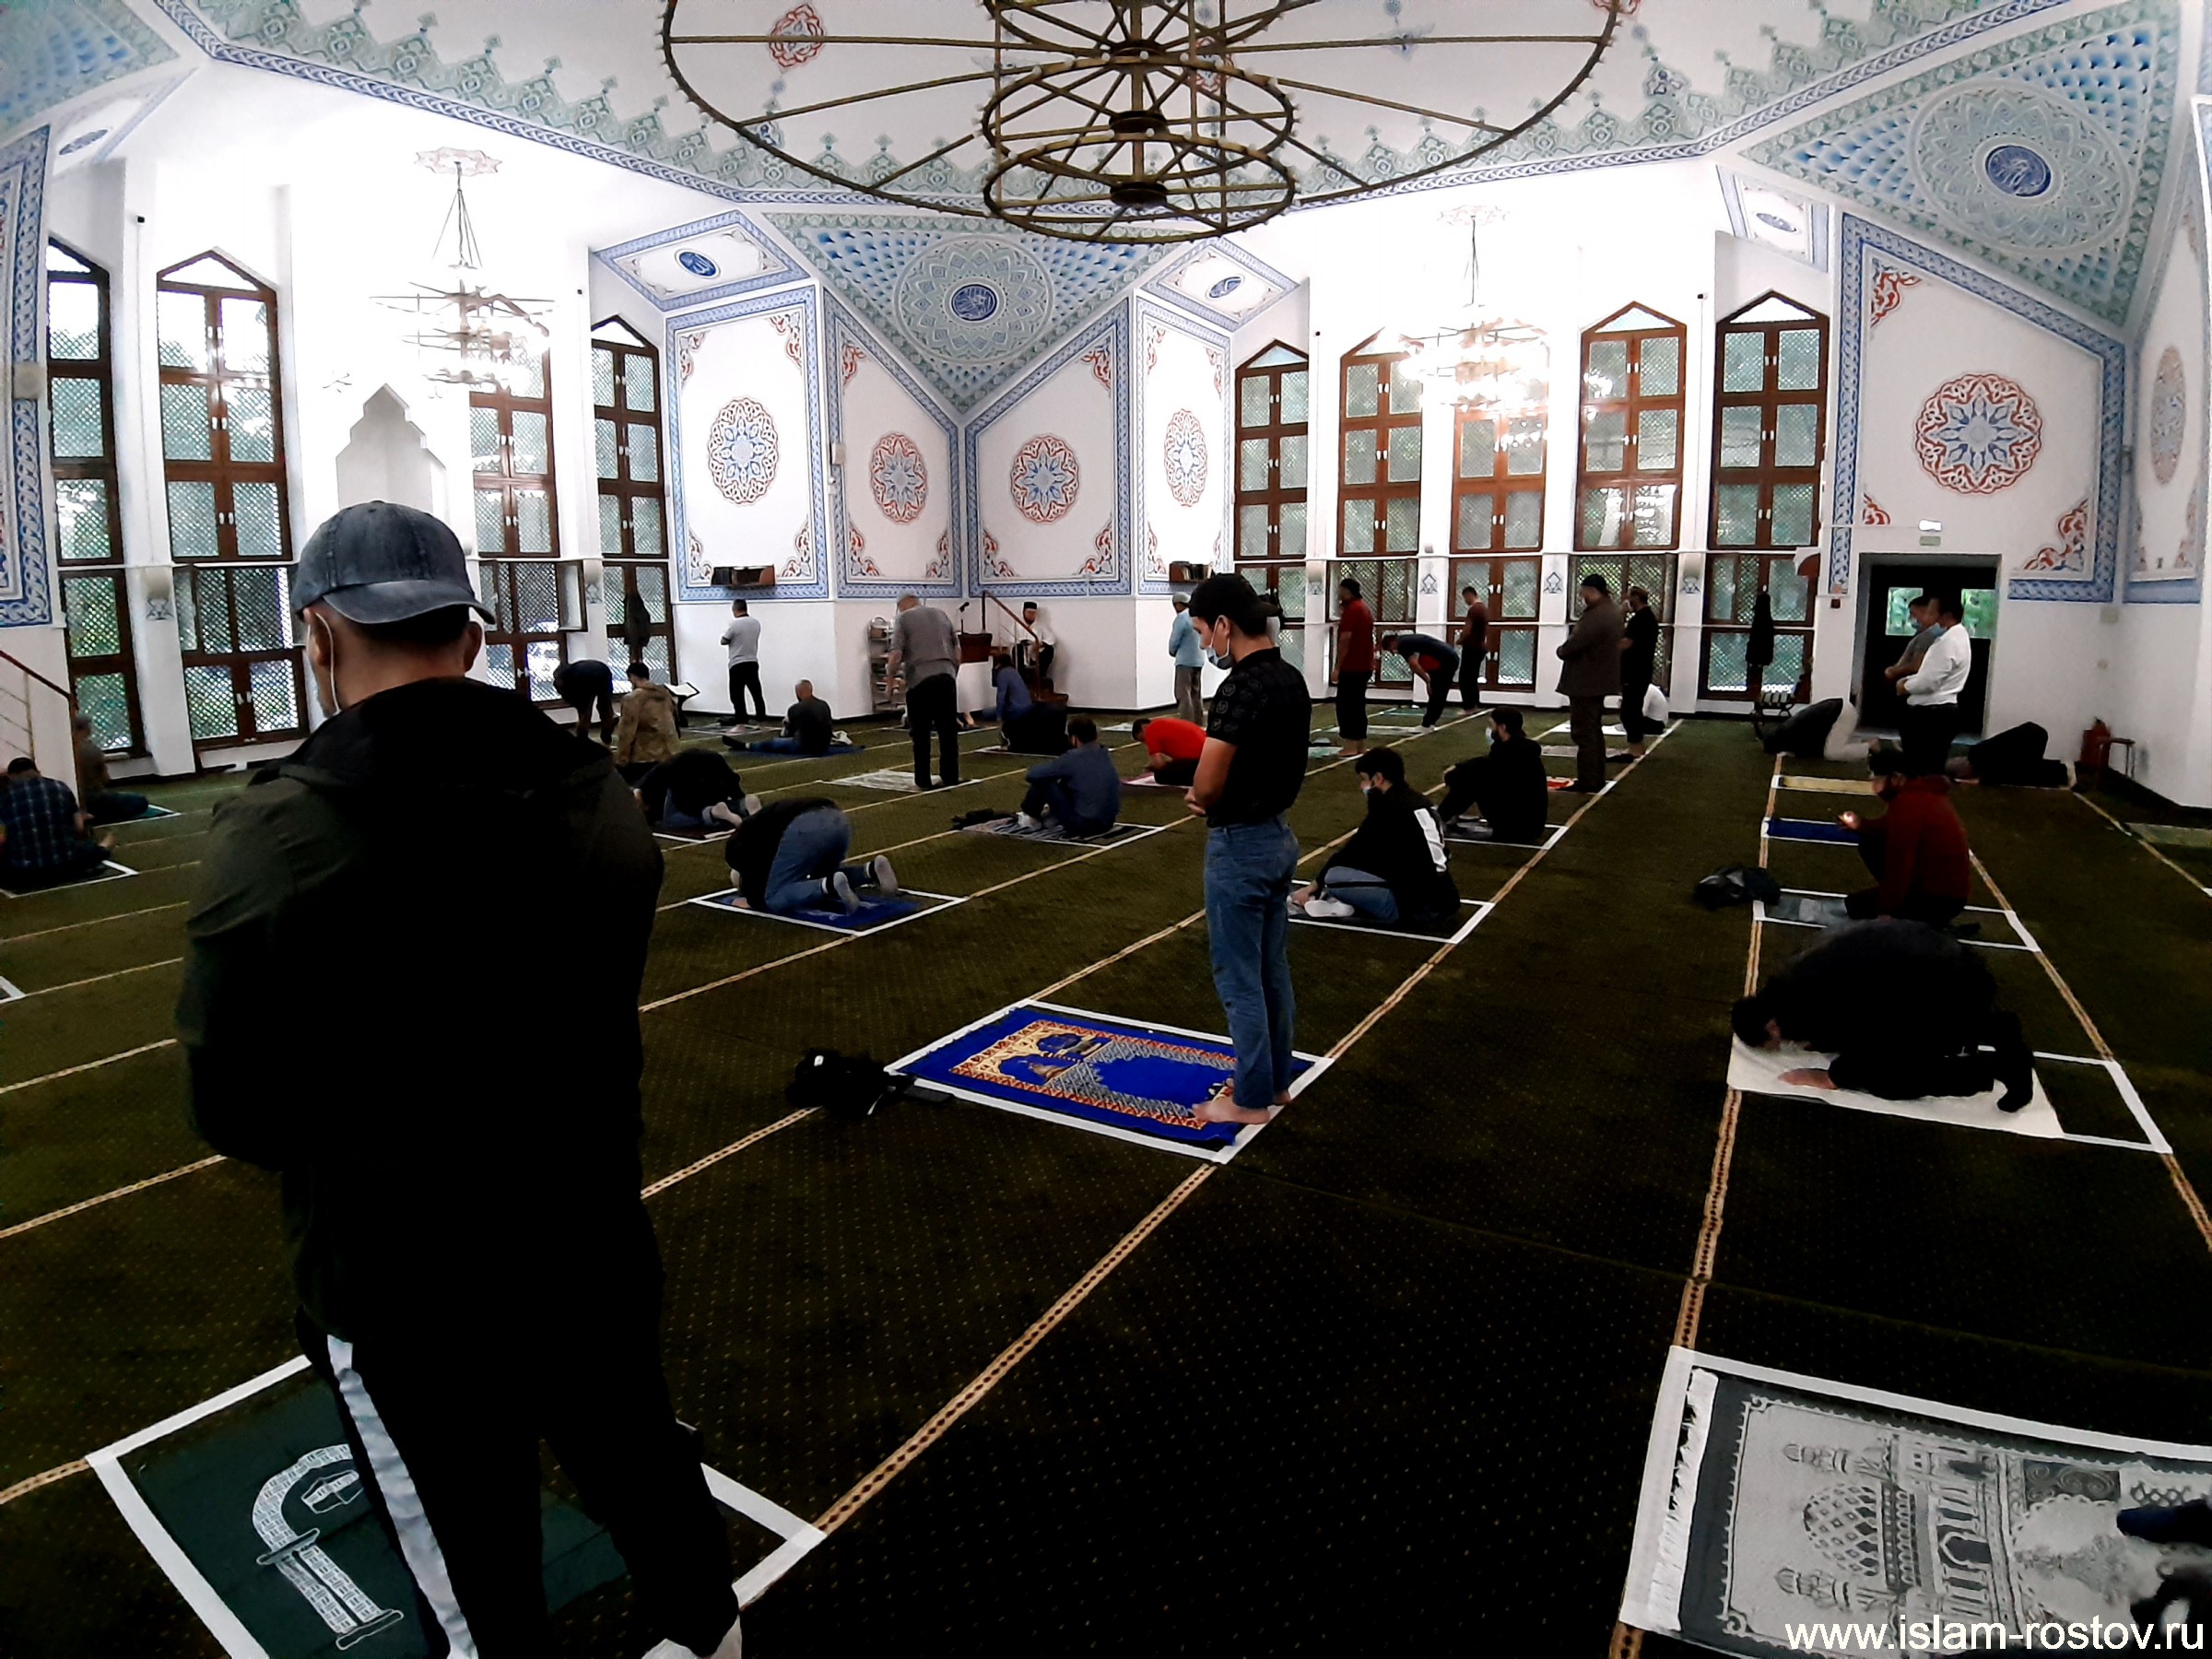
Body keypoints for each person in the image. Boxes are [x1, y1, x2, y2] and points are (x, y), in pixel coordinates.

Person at [175, 501, 741, 1659]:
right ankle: (710, 1635)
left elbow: (232, 1108)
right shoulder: (598, 795)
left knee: (473, 1562)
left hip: (404, 1288)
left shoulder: (272, 835)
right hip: (586, 1230)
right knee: (638, 1460)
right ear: (473, 636)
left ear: (317, 635)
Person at [1184, 573, 1311, 1126]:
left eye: (1201, 631)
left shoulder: (1239, 688)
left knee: (1239, 976)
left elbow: (1208, 782)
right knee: (1270, 968)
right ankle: (1276, 1083)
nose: (1203, 643)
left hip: (1240, 845)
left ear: (1223, 625)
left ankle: (1250, 1100)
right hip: (1280, 837)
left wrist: (1200, 796)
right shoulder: (1291, 678)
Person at [1731, 917, 2031, 1108]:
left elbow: (1874, 1034)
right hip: (1953, 967)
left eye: (1778, 1043)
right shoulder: (1795, 980)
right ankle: (1996, 1027)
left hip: (1955, 990)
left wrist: (1832, 1077)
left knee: (1888, 1078)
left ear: (1771, 1026)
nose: (1787, 1045)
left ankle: (1999, 1067)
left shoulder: (1814, 997)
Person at [1293, 747, 1458, 929]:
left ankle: (1354, 904)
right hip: (1445, 899)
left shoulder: (1389, 808)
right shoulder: (1420, 801)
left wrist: (1313, 886)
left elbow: (1351, 852)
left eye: (1364, 779)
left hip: (1416, 910)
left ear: (1378, 778)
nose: (1362, 786)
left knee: (1334, 878)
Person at [1840, 770, 1971, 927]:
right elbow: (1885, 829)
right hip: (1948, 895)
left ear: (1896, 778)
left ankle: (1918, 916)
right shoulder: (1925, 795)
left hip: (1937, 899)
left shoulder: (1908, 804)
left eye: (1877, 781)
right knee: (1871, 842)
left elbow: (1899, 863)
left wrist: (1885, 908)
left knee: (1856, 907)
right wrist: (1862, 825)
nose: (1875, 788)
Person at [724, 796, 897, 916]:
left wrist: (752, 900)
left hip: (804, 827)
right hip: (836, 817)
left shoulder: (738, 849)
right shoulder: (756, 827)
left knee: (773, 898)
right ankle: (870, 870)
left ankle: (829, 885)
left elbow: (758, 880)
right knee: (824, 874)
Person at [1435, 707, 1550, 842]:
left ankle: (1441, 817)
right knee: (1471, 775)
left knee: (1472, 779)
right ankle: (1449, 815)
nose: (1490, 729)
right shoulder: (1517, 748)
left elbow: (1482, 767)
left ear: (1502, 727)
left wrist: (1456, 771)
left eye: (1492, 725)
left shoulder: (1510, 754)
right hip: (1530, 824)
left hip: (1518, 827)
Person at [0, 757, 115, 888]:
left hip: (25, 872)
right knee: (85, 848)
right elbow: (78, 828)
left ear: (11, 777)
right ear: (37, 771)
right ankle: (102, 849)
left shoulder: (6, 796)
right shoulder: (60, 787)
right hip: (64, 864)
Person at [1555, 573, 1622, 793]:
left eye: (1583, 593)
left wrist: (1561, 650)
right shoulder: (1611, 611)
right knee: (1593, 731)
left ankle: (1588, 780)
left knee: (1584, 732)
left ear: (1592, 591)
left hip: (1586, 681)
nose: (1582, 597)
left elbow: (1576, 643)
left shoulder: (1597, 615)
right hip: (1597, 680)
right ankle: (1596, 778)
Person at [887, 593, 961, 790]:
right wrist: (952, 674)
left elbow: (896, 654)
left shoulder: (903, 619)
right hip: (946, 676)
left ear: (902, 606)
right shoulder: (941, 614)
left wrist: (890, 679)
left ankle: (923, 780)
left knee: (921, 734)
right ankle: (951, 776)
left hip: (920, 680)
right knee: (948, 731)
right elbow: (957, 652)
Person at [1898, 593, 1971, 775]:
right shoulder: (1956, 637)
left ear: (1946, 616)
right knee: (1930, 768)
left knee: (1922, 770)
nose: (1926, 619)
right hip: (1939, 712)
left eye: (1931, 613)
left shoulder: (1948, 642)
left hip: (1931, 716)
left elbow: (1928, 682)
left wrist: (1904, 686)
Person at [1018, 716, 1122, 838]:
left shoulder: (1073, 757)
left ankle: (1031, 818)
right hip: (1108, 822)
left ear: (1074, 739)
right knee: (1072, 781)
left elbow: (1032, 775)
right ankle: (1053, 816)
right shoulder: (1103, 753)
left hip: (1082, 825)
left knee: (1044, 781)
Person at [635, 747, 757, 834]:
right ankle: (743, 805)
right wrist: (739, 795)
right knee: (723, 801)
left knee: (671, 821)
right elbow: (731, 779)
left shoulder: (652, 781)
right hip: (714, 772)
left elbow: (686, 803)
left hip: (690, 785)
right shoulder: (669, 765)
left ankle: (713, 813)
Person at [72, 712, 149, 822]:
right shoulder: (92, 750)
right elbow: (106, 779)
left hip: (72, 799)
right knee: (140, 801)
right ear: (87, 729)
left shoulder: (67, 748)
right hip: (93, 798)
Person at [613, 661, 682, 781]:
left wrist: (621, 759)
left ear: (632, 677)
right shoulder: (665, 695)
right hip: (671, 753)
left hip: (646, 758)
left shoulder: (633, 699)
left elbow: (627, 733)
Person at [1379, 629, 1461, 729]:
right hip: (1447, 658)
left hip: (1445, 661)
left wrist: (1428, 681)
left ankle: (1427, 725)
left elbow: (1414, 665)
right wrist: (1429, 681)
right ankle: (1430, 723)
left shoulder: (1402, 645)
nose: (1393, 653)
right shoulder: (1407, 640)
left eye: (1390, 650)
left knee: (1438, 694)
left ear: (1392, 643)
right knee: (1437, 694)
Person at [735, 679, 835, 756]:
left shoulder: (795, 709)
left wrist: (786, 724)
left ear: (798, 692)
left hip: (804, 746)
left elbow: (788, 734)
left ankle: (748, 745)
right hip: (824, 746)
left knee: (771, 743)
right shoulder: (824, 705)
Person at [1334, 578, 1376, 754]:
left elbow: (1346, 639)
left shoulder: (1352, 610)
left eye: (1340, 590)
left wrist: (1338, 666)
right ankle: (1360, 744)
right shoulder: (1364, 607)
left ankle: (1350, 745)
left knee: (1346, 706)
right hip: (1364, 665)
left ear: (1346, 590)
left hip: (1352, 666)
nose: (1338, 594)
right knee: (1358, 706)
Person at [1618, 584, 1661, 759]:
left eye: (1629, 597)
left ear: (1635, 598)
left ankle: (1635, 746)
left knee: (1629, 711)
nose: (1626, 601)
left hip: (1635, 671)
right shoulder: (1647, 617)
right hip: (1641, 670)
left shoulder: (1640, 619)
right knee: (1632, 708)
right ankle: (1637, 746)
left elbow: (1625, 643)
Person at [995, 660, 1068, 755]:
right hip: (1029, 708)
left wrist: (999, 716)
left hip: (1018, 712)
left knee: (986, 713)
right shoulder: (1014, 672)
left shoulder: (1003, 673)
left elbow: (1001, 697)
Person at [1884, 593, 1941, 693]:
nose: (1911, 618)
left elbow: (1916, 666)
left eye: (1913, 614)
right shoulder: (1923, 634)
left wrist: (1894, 671)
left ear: (1926, 612)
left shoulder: (1928, 636)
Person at [552, 657, 618, 746]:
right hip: (603, 670)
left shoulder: (565, 679)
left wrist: (582, 709)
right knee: (605, 707)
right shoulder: (569, 671)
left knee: (585, 713)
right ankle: (607, 733)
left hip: (585, 678)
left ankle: (582, 738)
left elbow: (575, 699)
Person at [719, 599, 765, 724]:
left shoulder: (735, 625)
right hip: (752, 661)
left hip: (737, 663)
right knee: (756, 691)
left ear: (735, 610)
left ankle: (741, 717)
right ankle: (761, 716)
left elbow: (723, 640)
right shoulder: (756, 623)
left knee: (737, 693)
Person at [1135, 715, 1206, 787]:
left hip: (1197, 760)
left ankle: (1198, 779)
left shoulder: (1150, 730)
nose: (1146, 743)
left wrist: (1153, 768)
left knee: (1160, 776)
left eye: (1143, 739)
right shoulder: (1166, 723)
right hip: (1208, 754)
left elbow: (1159, 765)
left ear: (1144, 728)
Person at [1168, 594, 1206, 724]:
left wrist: (1172, 651)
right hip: (1199, 660)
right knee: (1196, 693)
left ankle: (1187, 723)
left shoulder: (1182, 618)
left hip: (1184, 661)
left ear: (1179, 604)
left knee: (1183, 694)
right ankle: (1199, 722)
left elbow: (1174, 640)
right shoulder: (1197, 617)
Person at [1456, 585, 1488, 712]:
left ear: (1469, 595)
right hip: (1480, 646)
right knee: (1472, 677)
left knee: (1465, 678)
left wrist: (1460, 639)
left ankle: (1468, 706)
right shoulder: (1483, 608)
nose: (1465, 601)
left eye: (1465, 598)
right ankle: (1475, 704)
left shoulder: (1474, 609)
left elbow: (1467, 629)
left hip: (1472, 647)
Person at [1015, 601, 1057, 688]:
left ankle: (1040, 675)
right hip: (1023, 653)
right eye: (1029, 613)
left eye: (1033, 613)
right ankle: (1021, 677)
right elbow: (1011, 639)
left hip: (1036, 654)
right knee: (1017, 649)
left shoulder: (1040, 625)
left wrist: (1041, 644)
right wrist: (1025, 643)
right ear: (1024, 612)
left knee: (1050, 650)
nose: (1031, 615)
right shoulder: (1017, 625)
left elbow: (1052, 638)